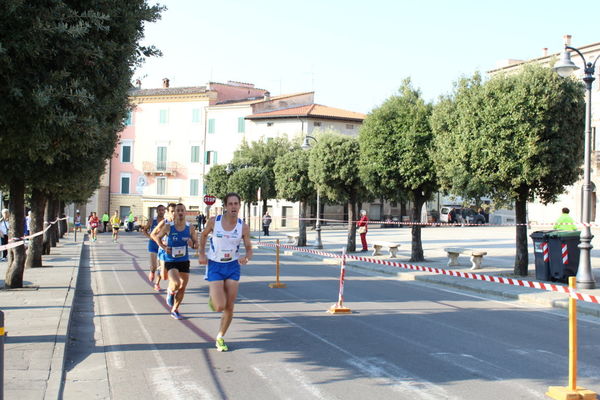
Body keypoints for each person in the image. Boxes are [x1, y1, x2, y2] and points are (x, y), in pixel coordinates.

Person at [199, 192, 253, 352]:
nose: (233, 207)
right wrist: (201, 253)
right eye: (230, 204)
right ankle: (214, 299)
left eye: (236, 204)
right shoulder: (213, 222)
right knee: (219, 306)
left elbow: (249, 248)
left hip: (232, 266)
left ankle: (220, 337)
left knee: (229, 306)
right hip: (215, 265)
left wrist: (247, 257)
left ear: (240, 206)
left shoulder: (243, 226)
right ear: (225, 206)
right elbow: (202, 235)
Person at [152, 203, 198, 320]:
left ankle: (175, 309)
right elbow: (157, 236)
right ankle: (170, 292)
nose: (180, 212)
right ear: (175, 213)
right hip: (171, 260)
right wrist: (163, 246)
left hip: (184, 260)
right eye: (178, 211)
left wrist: (192, 244)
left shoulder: (190, 227)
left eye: (182, 210)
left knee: (182, 287)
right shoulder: (169, 226)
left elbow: (196, 245)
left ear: (185, 212)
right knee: (176, 283)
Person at [143, 204, 166, 291]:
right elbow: (144, 230)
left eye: (163, 210)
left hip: (162, 245)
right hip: (153, 244)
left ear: (165, 211)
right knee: (154, 266)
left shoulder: (166, 221)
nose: (161, 211)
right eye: (159, 210)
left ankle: (157, 283)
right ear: (157, 211)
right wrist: (150, 237)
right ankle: (152, 271)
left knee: (161, 266)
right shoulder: (152, 220)